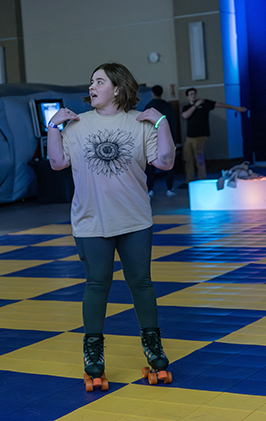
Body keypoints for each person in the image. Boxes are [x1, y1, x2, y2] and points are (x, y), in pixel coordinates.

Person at [46, 63, 175, 388]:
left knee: (141, 283)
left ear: (117, 88)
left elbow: (166, 161)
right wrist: (52, 128)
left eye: (99, 82)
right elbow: (58, 163)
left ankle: (153, 346)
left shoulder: (141, 121)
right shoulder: (76, 125)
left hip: (134, 218)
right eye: (91, 82)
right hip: (91, 220)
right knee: (96, 285)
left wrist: (161, 123)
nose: (92, 87)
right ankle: (93, 353)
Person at [180, 87, 247, 186]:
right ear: (187, 97)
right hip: (189, 136)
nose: (193, 96)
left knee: (199, 159)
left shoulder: (205, 103)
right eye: (191, 94)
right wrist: (195, 106)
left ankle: (202, 179)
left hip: (200, 135)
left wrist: (235, 108)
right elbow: (185, 115)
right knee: (188, 159)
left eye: (194, 93)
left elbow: (219, 104)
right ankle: (188, 181)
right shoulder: (186, 107)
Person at [144, 85, 178, 197]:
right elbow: (172, 123)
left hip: (153, 140)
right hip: (167, 139)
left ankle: (150, 189)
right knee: (169, 164)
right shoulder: (167, 106)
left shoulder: (149, 107)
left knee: (151, 165)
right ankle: (169, 188)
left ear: (152, 93)